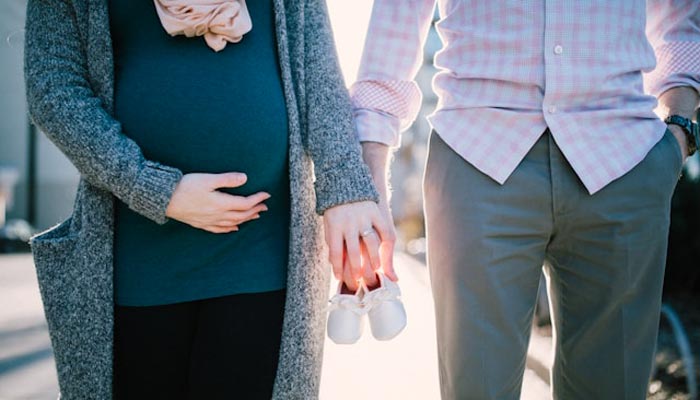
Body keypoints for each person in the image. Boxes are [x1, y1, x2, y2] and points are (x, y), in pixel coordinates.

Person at [24, 0, 393, 398]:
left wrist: (346, 188)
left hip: (261, 255)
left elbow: (317, 69)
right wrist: (156, 189)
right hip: (134, 261)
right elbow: (53, 86)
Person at [352, 1, 700, 398]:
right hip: (478, 152)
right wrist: (371, 164)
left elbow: (680, 13)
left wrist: (680, 126)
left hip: (623, 158)